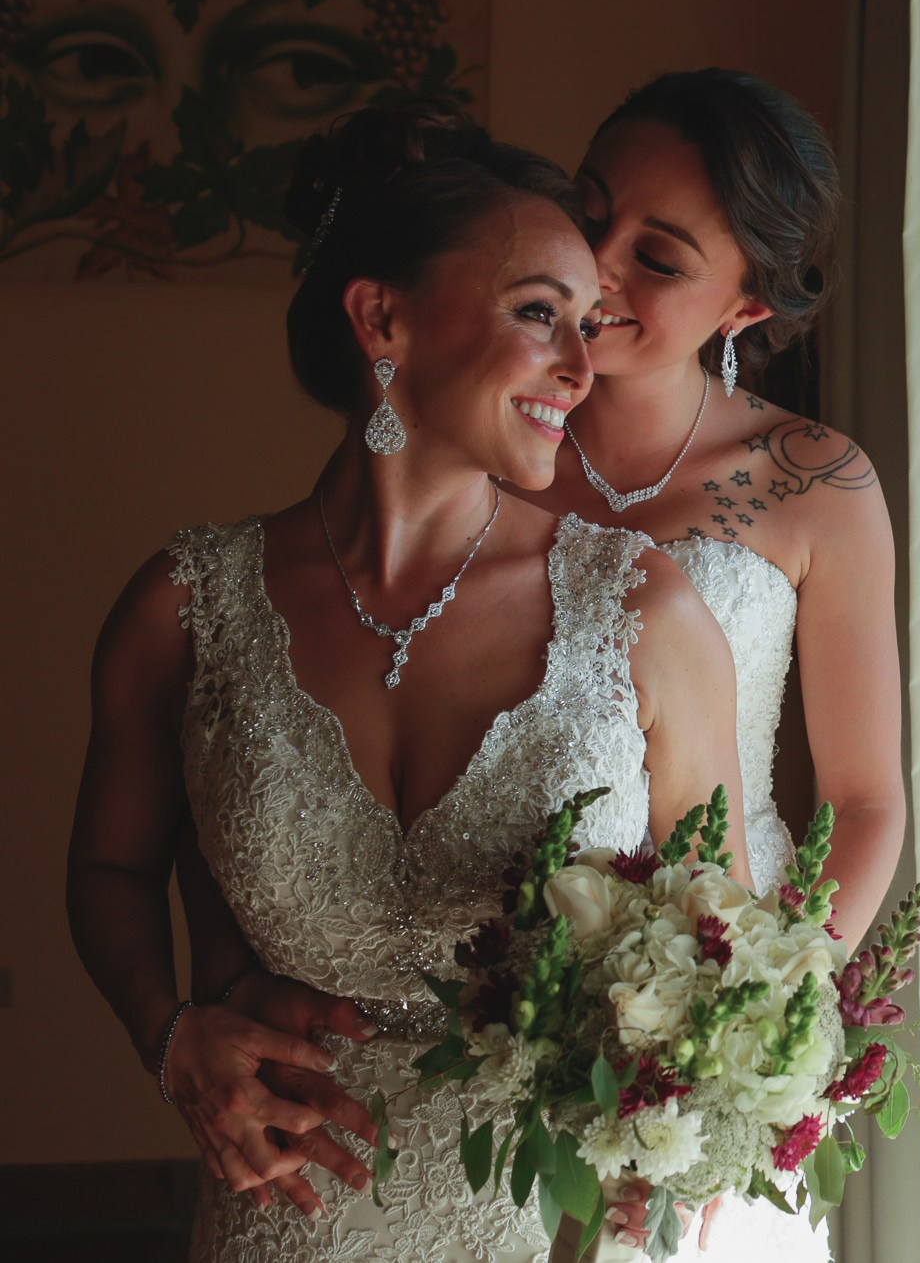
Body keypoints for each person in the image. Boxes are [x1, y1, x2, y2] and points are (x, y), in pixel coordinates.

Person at [66, 101, 745, 1262]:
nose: (581, 367)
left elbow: (719, 930)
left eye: (589, 324)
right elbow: (110, 867)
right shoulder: (184, 608)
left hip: (554, 1221)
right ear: (381, 317)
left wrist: (688, 1128)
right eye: (540, 315)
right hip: (289, 1215)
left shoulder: (641, 610)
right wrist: (172, 1035)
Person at [517, 72, 908, 1259]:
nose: (598, 266)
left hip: (717, 975)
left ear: (744, 309)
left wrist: (742, 1043)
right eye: (588, 213)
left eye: (661, 256)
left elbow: (863, 802)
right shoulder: (482, 442)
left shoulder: (814, 483)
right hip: (501, 984)